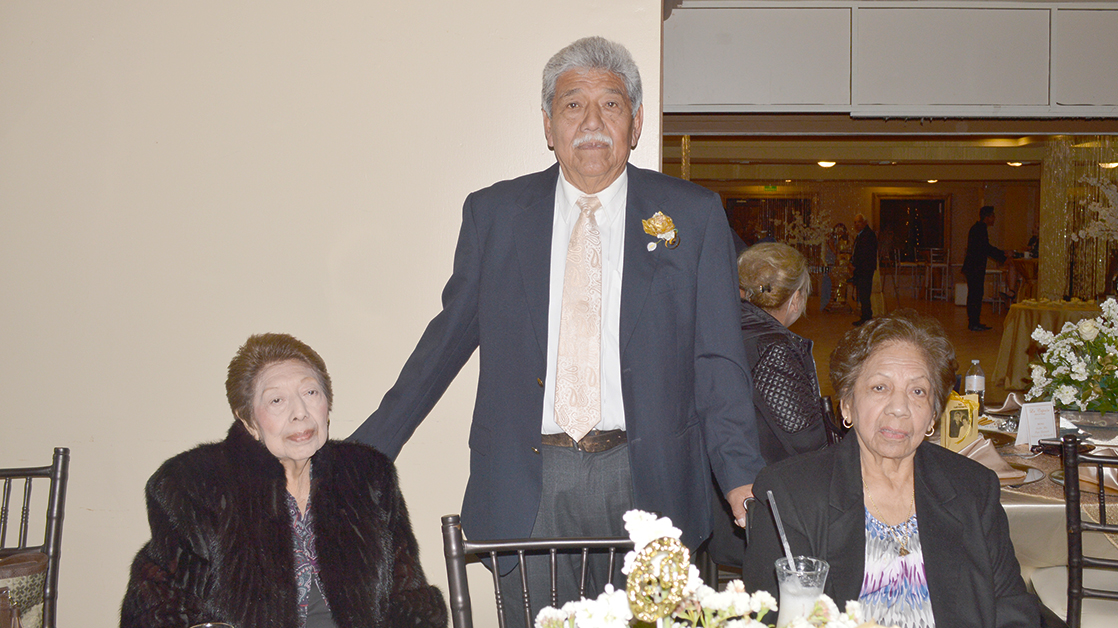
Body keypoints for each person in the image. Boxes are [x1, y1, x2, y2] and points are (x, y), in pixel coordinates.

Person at [350, 36, 763, 621]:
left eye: (611, 105)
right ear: (549, 125)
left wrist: (741, 475)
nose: (592, 122)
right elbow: (443, 345)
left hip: (648, 479)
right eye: (573, 105)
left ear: (637, 121)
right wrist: (361, 456)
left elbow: (717, 359)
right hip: (529, 482)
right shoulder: (494, 215)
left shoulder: (692, 216)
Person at [121, 333, 447, 628]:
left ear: (327, 404)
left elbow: (410, 601)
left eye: (310, 392)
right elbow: (155, 611)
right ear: (248, 420)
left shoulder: (366, 475)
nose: (300, 412)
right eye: (277, 400)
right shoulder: (193, 484)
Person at [743, 311, 1038, 628]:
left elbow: (1011, 607)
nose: (899, 408)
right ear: (847, 404)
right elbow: (768, 616)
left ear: (933, 415)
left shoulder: (974, 488)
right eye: (879, 388)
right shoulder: (791, 494)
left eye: (918, 391)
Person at [707, 243, 838, 567]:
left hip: (713, 495)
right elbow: (807, 441)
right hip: (756, 509)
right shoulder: (773, 348)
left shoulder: (721, 327)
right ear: (795, 298)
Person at [963, 205, 1010, 331]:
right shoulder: (979, 229)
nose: (994, 218)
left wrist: (1000, 254)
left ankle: (974, 321)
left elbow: (985, 248)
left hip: (973, 267)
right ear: (987, 217)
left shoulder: (977, 228)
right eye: (993, 216)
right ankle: (973, 323)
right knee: (975, 294)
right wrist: (1003, 256)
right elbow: (986, 248)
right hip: (975, 267)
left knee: (975, 294)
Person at [849, 213, 877, 326]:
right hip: (861, 269)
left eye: (859, 222)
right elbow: (856, 252)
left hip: (865, 269)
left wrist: (854, 264)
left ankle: (867, 318)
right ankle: (865, 316)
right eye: (855, 222)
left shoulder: (868, 235)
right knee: (862, 294)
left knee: (865, 294)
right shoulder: (861, 235)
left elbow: (864, 254)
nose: (857, 224)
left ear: (865, 223)